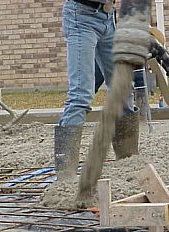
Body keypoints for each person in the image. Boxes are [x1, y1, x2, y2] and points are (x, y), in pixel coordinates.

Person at [55, 0, 138, 180]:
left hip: (108, 17)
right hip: (82, 16)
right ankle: (65, 175)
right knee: (81, 94)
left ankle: (127, 160)